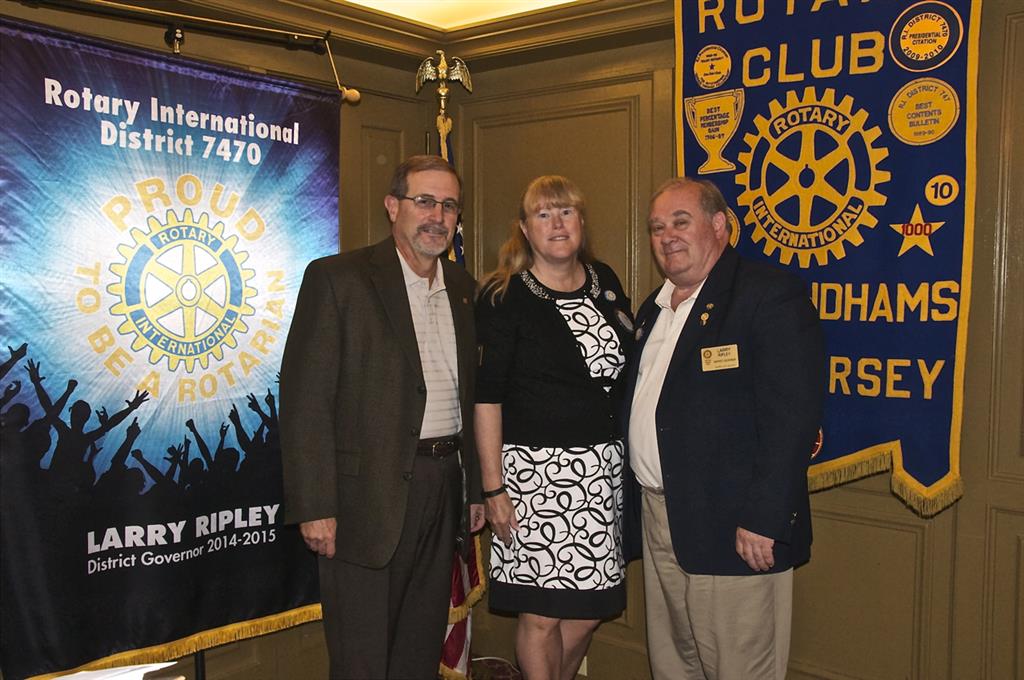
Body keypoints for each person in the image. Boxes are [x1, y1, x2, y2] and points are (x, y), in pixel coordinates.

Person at [279, 155, 485, 680]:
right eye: (425, 201)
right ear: (393, 206)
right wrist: (315, 505)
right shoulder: (338, 279)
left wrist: (474, 492)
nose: (437, 216)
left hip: (444, 486)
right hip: (363, 501)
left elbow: (468, 396)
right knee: (362, 658)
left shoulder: (463, 287)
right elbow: (305, 400)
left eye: (449, 206)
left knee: (419, 646)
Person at [622, 177, 826, 680]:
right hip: (660, 515)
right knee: (674, 662)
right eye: (657, 227)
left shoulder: (767, 295)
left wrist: (764, 518)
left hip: (736, 526)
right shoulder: (653, 308)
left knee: (738, 666)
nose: (667, 236)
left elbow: (793, 417)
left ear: (719, 225)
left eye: (680, 221)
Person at [475, 175, 634, 680]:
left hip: (602, 477)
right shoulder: (504, 295)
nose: (557, 223)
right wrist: (493, 489)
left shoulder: (605, 280)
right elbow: (487, 398)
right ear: (525, 229)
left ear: (581, 222)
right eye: (543, 214)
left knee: (589, 610)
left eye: (566, 212)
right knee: (541, 614)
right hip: (533, 479)